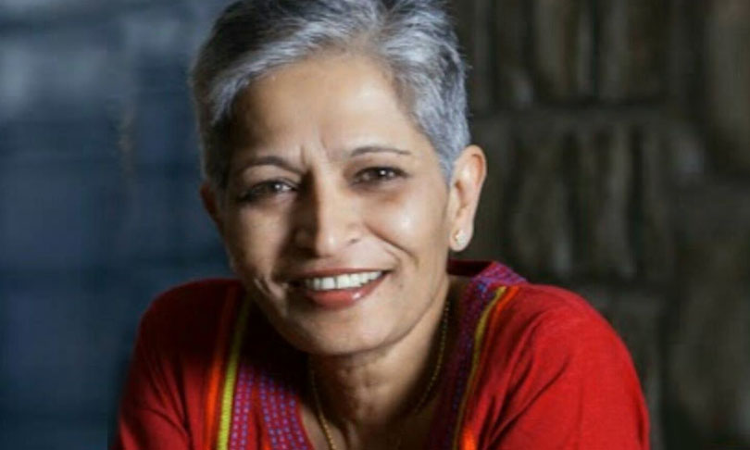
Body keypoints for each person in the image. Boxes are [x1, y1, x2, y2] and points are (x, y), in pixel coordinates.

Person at [112, 1, 650, 449]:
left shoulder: (548, 355)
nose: (324, 235)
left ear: (460, 197)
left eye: (377, 174)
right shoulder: (187, 345)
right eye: (271, 186)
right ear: (221, 218)